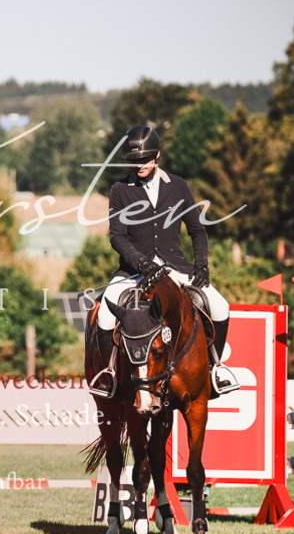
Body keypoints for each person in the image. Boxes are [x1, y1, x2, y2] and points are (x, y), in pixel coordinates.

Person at [90, 125, 240, 398]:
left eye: (145, 159)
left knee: (220, 305)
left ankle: (215, 368)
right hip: (134, 271)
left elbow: (197, 230)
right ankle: (108, 373)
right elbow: (117, 237)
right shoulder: (120, 190)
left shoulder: (179, 186)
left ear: (157, 155)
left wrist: (202, 265)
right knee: (104, 313)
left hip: (175, 268)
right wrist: (141, 263)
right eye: (134, 160)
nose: (139, 165)